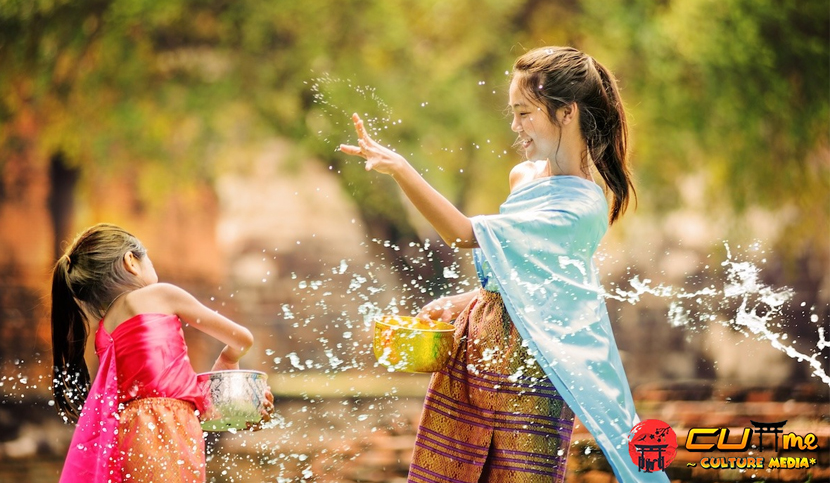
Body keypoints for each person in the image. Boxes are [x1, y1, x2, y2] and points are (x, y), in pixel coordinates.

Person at [340, 46, 669, 482]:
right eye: (513, 113)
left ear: (567, 112)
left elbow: (462, 234)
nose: (515, 127)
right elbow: (517, 275)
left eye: (525, 113)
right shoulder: (524, 177)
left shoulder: (580, 209)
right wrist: (463, 301)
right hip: (472, 359)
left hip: (530, 373)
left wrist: (402, 170)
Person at [51, 223, 274, 483]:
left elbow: (154, 386)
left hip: (128, 432)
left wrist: (206, 400)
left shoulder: (104, 329)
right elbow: (242, 338)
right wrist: (228, 360)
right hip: (167, 426)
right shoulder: (160, 294)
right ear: (131, 262)